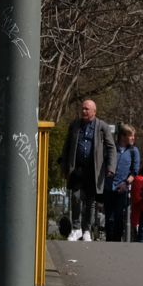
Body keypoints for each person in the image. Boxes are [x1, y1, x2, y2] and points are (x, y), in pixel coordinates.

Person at [60, 99, 114, 242]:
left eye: (87, 109)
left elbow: (111, 147)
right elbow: (67, 147)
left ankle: (86, 230)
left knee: (90, 202)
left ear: (94, 112)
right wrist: (64, 166)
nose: (84, 111)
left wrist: (110, 167)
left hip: (93, 170)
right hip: (77, 168)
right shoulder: (75, 125)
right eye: (83, 108)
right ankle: (76, 228)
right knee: (76, 197)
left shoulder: (102, 127)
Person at [105, 123, 141, 241]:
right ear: (122, 136)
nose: (133, 138)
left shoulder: (133, 151)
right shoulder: (112, 149)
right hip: (109, 187)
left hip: (122, 188)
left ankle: (116, 240)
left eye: (133, 136)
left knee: (119, 216)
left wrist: (126, 184)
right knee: (109, 217)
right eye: (130, 136)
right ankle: (109, 239)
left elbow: (134, 172)